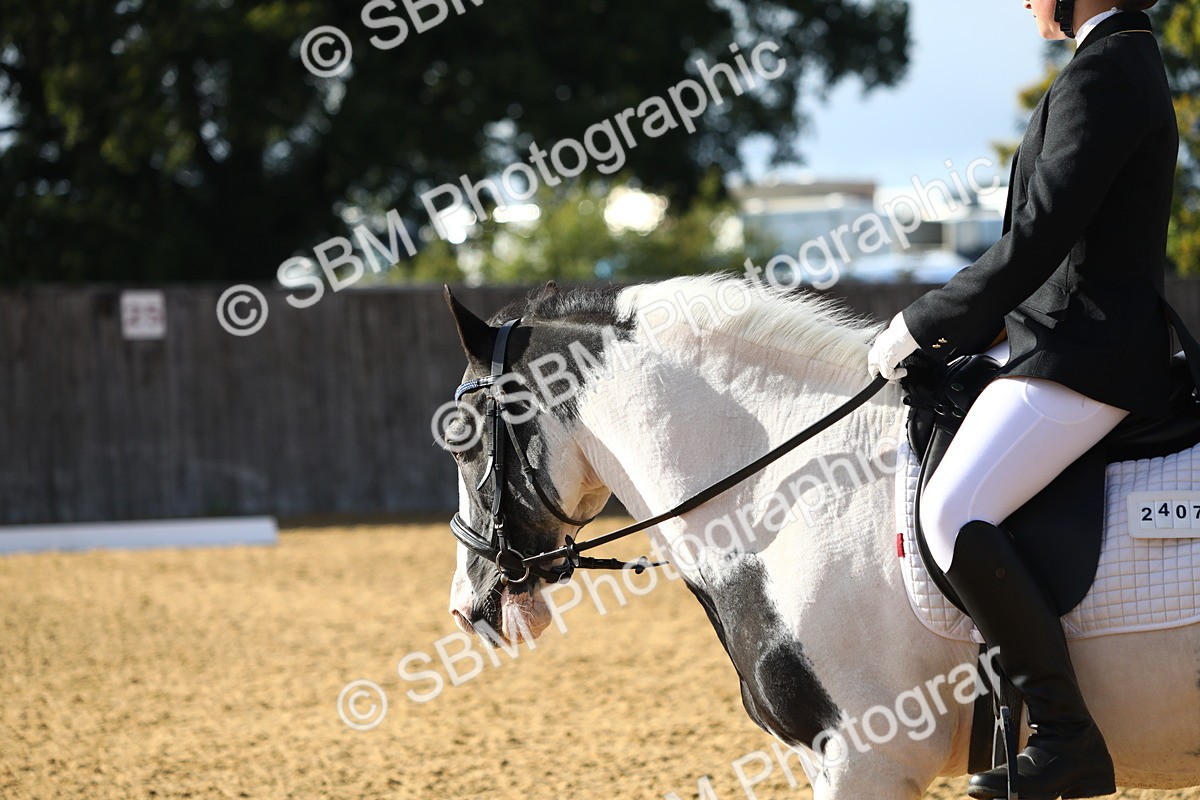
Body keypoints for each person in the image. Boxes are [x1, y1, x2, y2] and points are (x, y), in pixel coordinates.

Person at [867, 1, 1189, 798]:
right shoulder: (1116, 59)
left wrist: (924, 323)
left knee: (952, 510)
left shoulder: (1107, 70)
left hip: (1090, 358)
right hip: (1060, 339)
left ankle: (1067, 738)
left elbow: (1040, 236)